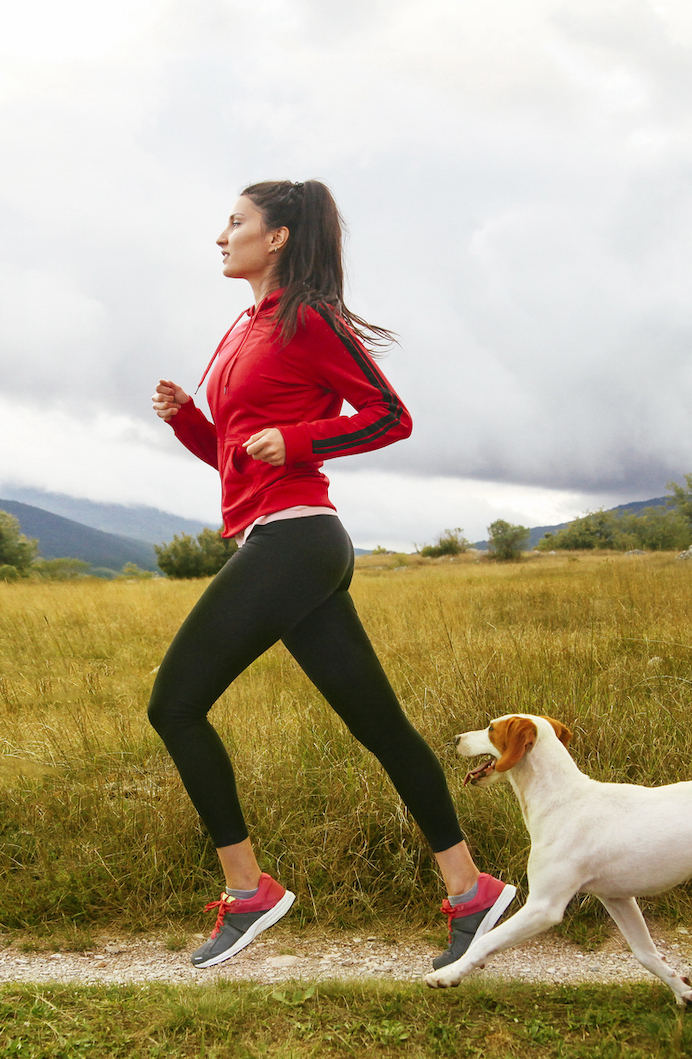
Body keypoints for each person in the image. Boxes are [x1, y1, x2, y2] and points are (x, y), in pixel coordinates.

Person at [149, 179, 516, 971]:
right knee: (380, 727)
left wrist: (303, 440)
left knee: (174, 706)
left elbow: (389, 415)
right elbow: (233, 456)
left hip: (298, 538)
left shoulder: (306, 318)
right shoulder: (243, 327)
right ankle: (471, 890)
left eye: (236, 222)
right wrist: (189, 417)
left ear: (277, 237)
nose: (222, 235)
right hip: (274, 537)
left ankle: (248, 893)